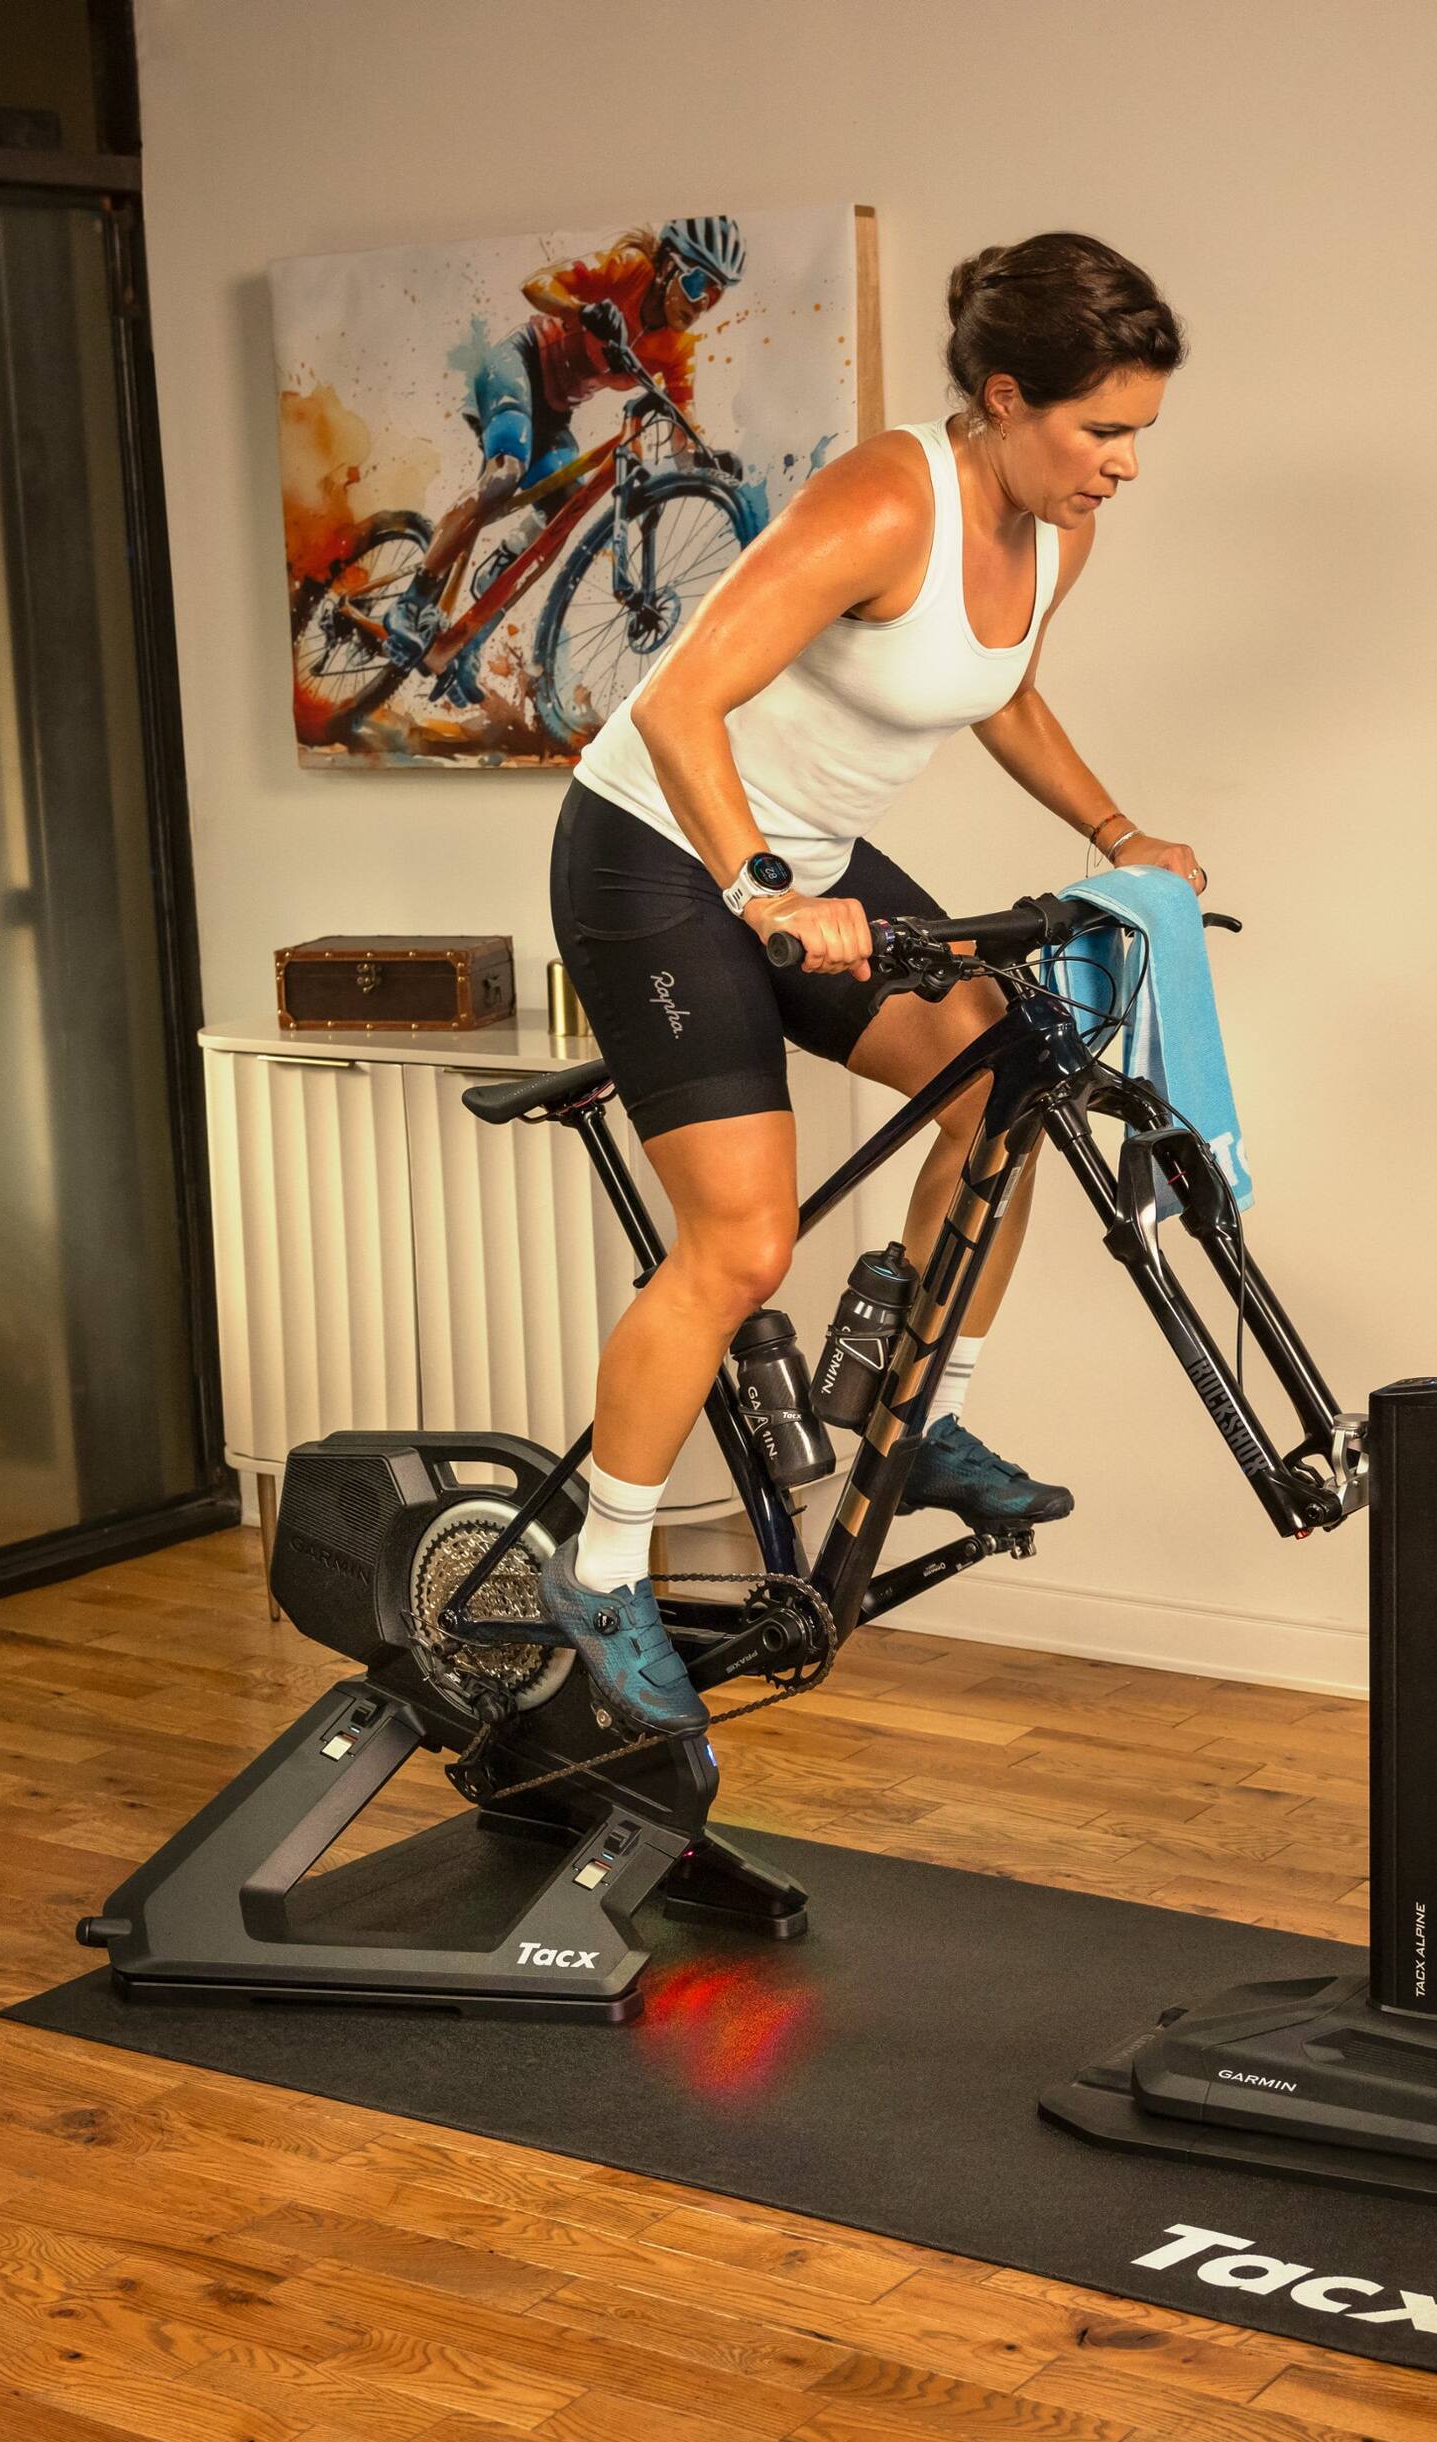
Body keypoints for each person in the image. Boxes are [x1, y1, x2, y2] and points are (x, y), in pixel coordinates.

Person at [543, 230, 1199, 1734]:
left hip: (811, 862)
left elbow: (1002, 683)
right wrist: (761, 890)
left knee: (1008, 1078)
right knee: (743, 1247)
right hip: (657, 854)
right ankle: (604, 1568)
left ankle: (918, 1418)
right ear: (1008, 395)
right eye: (1103, 432)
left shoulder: (1058, 525)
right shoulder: (882, 501)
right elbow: (680, 699)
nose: (1124, 467)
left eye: (1142, 435)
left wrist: (1118, 834)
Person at [387, 215, 745, 684]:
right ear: (667, 267)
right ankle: (410, 603)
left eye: (715, 296)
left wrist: (706, 462)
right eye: (698, 284)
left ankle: (485, 599)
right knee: (504, 474)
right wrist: (581, 312)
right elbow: (536, 286)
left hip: (556, 413)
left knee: (563, 514)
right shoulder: (629, 268)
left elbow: (683, 431)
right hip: (519, 364)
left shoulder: (677, 347)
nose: (702, 304)